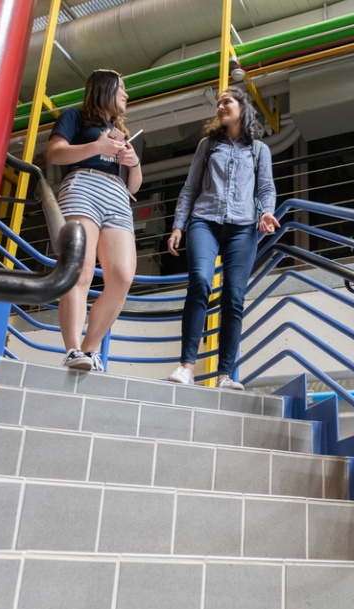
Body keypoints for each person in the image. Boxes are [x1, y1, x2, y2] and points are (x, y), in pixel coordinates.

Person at [165, 87, 279, 390]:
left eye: (226, 102)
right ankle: (186, 367)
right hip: (205, 221)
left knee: (234, 297)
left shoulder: (259, 150)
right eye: (218, 104)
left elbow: (266, 188)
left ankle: (225, 375)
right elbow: (190, 188)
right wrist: (178, 226)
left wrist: (267, 212)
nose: (220, 107)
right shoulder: (208, 145)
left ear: (243, 107)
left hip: (243, 227)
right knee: (200, 281)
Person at [47, 69, 142, 371]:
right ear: (104, 89)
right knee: (81, 271)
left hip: (117, 195)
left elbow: (134, 186)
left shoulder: (121, 132)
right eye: (121, 88)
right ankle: (73, 348)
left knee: (123, 276)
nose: (126, 95)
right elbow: (55, 153)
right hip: (83, 186)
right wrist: (97, 147)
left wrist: (133, 161)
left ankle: (89, 350)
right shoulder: (74, 117)